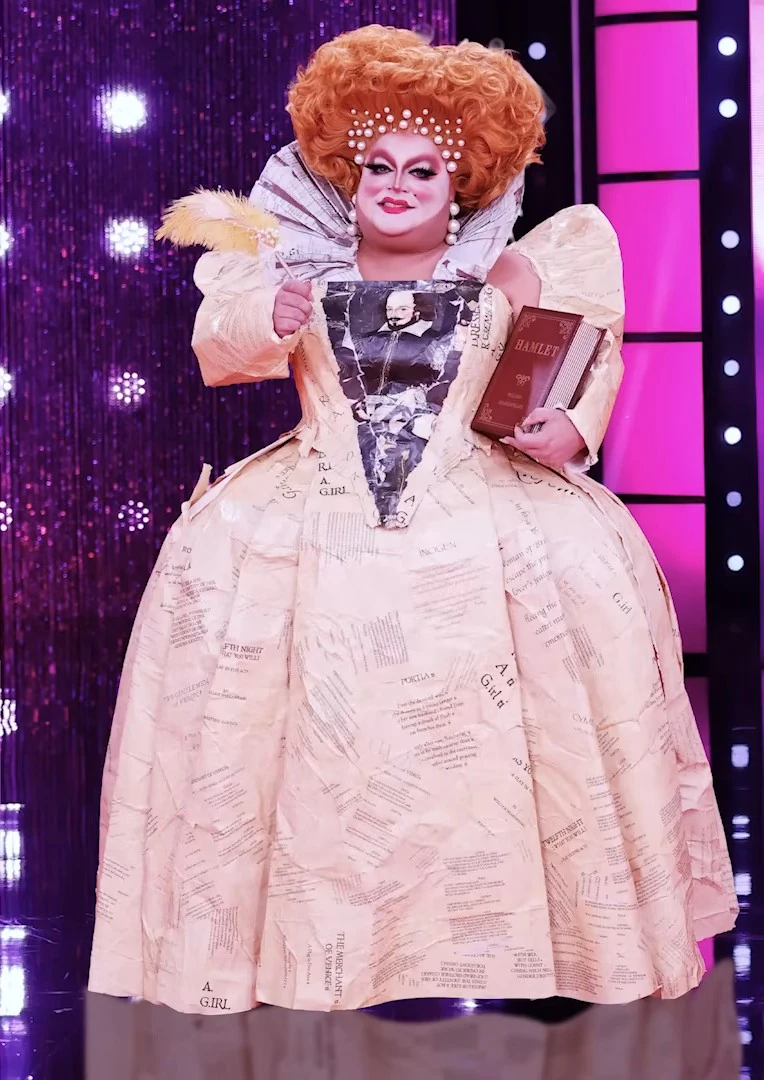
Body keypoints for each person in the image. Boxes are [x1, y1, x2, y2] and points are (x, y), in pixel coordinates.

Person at [89, 25, 736, 1015]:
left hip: (480, 515)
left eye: (422, 169)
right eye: (378, 167)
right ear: (347, 179)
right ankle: (312, 948)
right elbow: (220, 344)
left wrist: (571, 424)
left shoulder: (512, 276)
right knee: (313, 737)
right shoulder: (296, 276)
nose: (396, 185)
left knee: (506, 730)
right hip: (318, 513)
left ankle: (521, 941)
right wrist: (267, 319)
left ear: (458, 185)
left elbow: (581, 361)